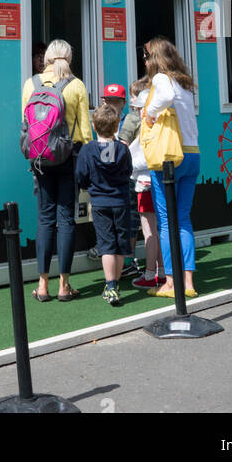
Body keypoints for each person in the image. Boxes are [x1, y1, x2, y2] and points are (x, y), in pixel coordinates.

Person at [21, 39, 93, 303]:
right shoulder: (76, 85)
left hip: (39, 158)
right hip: (69, 157)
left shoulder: (31, 84)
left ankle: (42, 285)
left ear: (48, 58)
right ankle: (64, 285)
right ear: (69, 58)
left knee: (44, 219)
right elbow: (85, 131)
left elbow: (26, 124)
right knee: (66, 220)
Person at [142, 36, 201, 298]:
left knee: (166, 222)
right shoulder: (185, 83)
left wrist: (150, 113)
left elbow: (163, 96)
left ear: (154, 58)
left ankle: (169, 282)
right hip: (192, 154)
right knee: (184, 219)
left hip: (170, 158)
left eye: (146, 56)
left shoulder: (161, 79)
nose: (143, 61)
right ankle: (188, 282)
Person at [75, 104, 133, 305]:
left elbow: (81, 176)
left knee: (106, 245)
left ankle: (110, 286)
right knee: (119, 244)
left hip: (99, 203)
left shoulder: (87, 149)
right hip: (121, 201)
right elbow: (128, 173)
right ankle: (115, 283)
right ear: (117, 126)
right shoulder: (123, 149)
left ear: (93, 125)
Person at [125, 80, 165, 289]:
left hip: (145, 182)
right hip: (158, 181)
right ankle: (161, 271)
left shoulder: (148, 128)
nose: (138, 112)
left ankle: (151, 274)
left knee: (150, 232)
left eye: (139, 108)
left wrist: (127, 164)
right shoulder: (162, 125)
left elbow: (145, 159)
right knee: (159, 229)